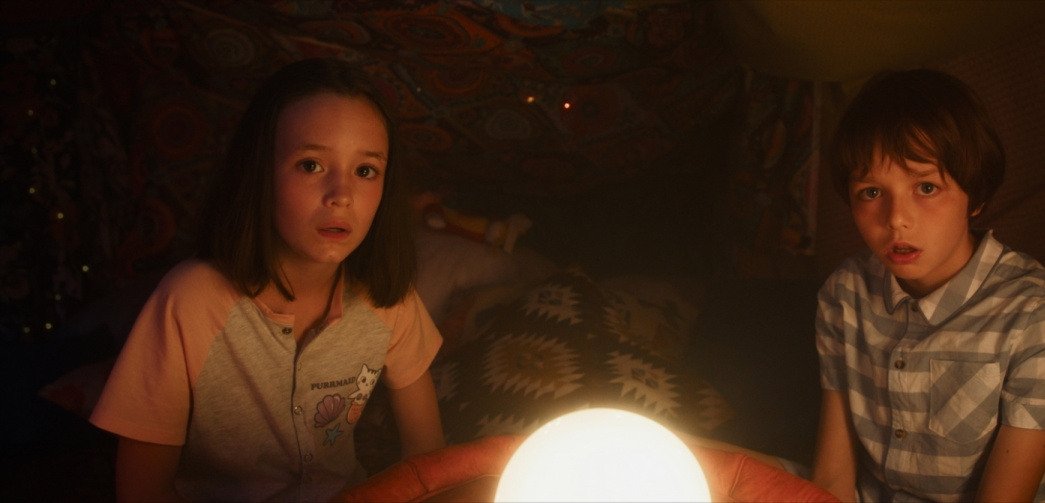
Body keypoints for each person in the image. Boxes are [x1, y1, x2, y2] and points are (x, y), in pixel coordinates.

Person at [90, 58, 446, 502]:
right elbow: (142, 492)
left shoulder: (387, 299)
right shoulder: (192, 301)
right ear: (260, 172)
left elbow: (428, 460)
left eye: (365, 171)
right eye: (311, 165)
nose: (342, 196)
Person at [811, 68, 1045, 501]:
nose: (897, 219)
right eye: (871, 193)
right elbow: (832, 478)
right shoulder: (845, 295)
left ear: (975, 196)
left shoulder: (1031, 315)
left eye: (926, 187)